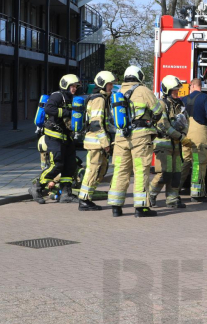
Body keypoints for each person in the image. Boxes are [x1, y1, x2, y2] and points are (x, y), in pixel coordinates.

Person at [107, 66, 163, 217]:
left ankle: (116, 207)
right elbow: (158, 110)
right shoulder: (143, 90)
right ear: (139, 76)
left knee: (120, 171)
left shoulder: (118, 92)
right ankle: (141, 208)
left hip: (120, 138)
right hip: (140, 137)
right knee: (140, 171)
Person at [30, 74, 81, 204]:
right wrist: (67, 113)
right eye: (72, 86)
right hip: (54, 137)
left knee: (70, 165)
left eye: (76, 86)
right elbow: (49, 108)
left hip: (67, 138)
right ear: (65, 85)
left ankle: (66, 193)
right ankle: (37, 188)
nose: (74, 88)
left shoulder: (71, 98)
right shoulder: (57, 96)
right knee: (56, 165)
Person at [149, 75, 190, 209]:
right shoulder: (161, 104)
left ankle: (172, 199)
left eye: (177, 90)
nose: (176, 93)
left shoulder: (180, 104)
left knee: (176, 173)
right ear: (166, 90)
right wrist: (180, 136)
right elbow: (164, 125)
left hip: (176, 144)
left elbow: (186, 120)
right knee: (165, 172)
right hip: (163, 143)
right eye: (174, 91)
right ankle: (150, 195)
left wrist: (183, 133)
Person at [77, 71, 116, 211]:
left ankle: (87, 197)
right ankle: (84, 200)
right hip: (96, 142)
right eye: (110, 84)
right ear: (103, 84)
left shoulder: (102, 98)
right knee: (93, 170)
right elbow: (96, 124)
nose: (111, 87)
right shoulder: (99, 99)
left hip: (98, 142)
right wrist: (106, 144)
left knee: (101, 170)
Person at [179, 78, 207, 202]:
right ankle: (197, 193)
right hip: (200, 134)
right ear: (200, 86)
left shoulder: (183, 99)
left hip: (185, 134)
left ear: (192, 86)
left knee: (184, 162)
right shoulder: (206, 98)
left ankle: (174, 189)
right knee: (198, 163)